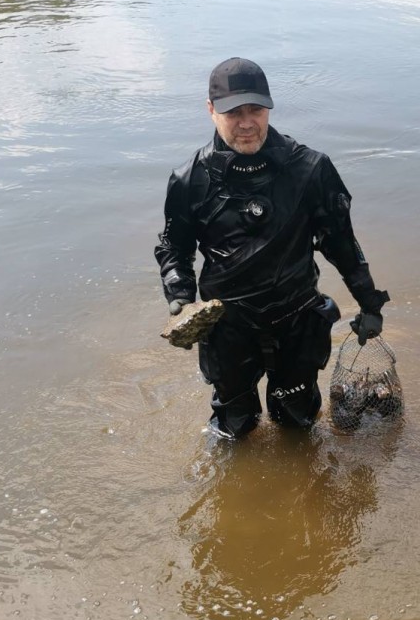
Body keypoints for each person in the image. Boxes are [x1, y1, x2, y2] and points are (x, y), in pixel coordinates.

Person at [155, 57, 390, 438]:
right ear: (211, 110)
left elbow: (341, 242)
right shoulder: (190, 179)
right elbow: (173, 248)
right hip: (227, 328)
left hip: (296, 321)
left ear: (268, 107)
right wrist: (180, 296)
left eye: (256, 110)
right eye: (234, 112)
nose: (247, 123)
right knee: (234, 428)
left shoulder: (311, 169)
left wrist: (370, 303)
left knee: (297, 423)